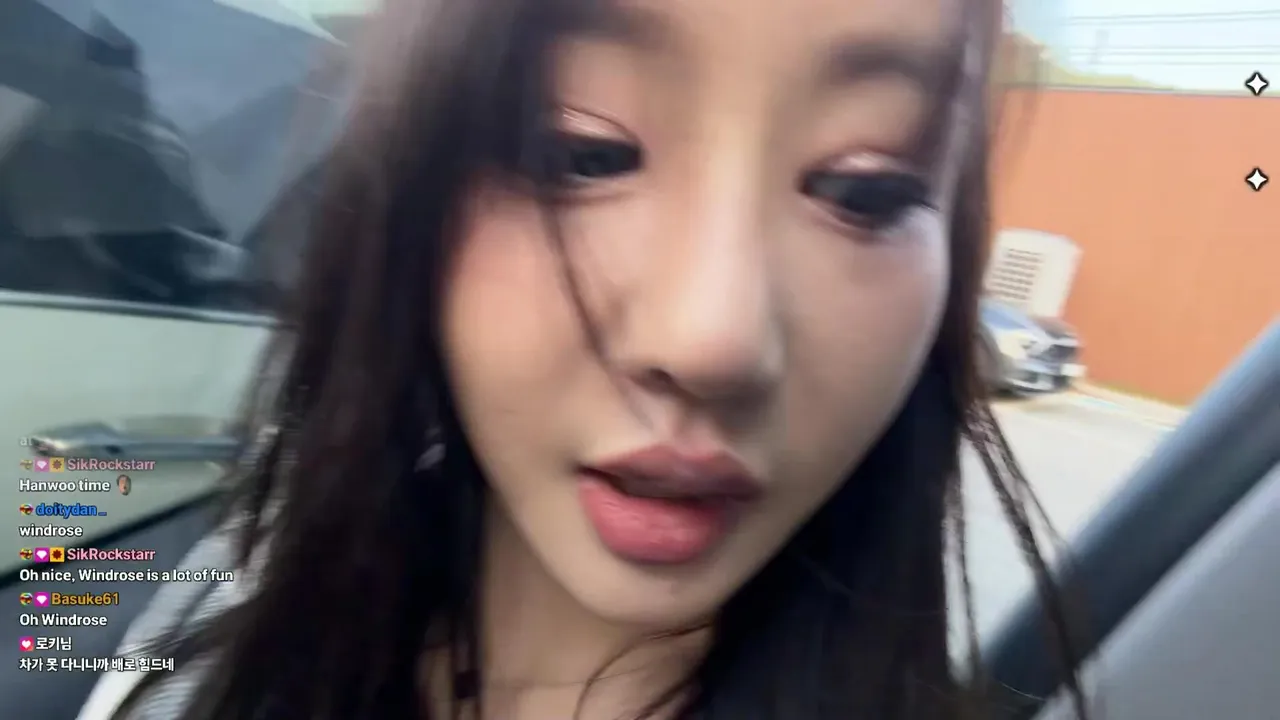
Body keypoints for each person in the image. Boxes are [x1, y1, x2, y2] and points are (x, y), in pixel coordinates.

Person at [90, 0, 1088, 718]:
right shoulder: (220, 612)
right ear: (406, 174)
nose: (710, 339)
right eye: (581, 153)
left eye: (865, 189)